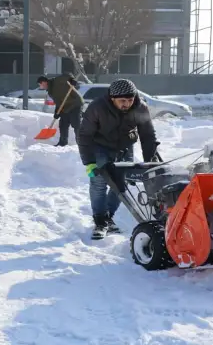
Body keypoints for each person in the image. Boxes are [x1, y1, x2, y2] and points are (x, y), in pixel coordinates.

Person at [78, 79, 159, 240]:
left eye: (130, 100)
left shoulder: (140, 107)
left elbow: (148, 135)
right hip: (100, 146)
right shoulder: (97, 108)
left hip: (125, 146)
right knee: (99, 182)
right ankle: (100, 221)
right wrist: (89, 162)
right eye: (122, 100)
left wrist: (150, 161)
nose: (127, 104)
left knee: (121, 184)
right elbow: (84, 135)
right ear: (112, 98)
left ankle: (108, 216)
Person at [47, 73, 84, 147]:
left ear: (44, 82)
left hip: (75, 104)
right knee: (63, 125)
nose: (40, 86)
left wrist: (71, 79)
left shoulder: (56, 81)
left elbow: (67, 74)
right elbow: (58, 102)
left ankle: (81, 143)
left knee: (76, 124)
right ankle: (62, 143)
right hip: (65, 106)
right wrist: (56, 113)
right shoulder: (50, 91)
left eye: (40, 84)